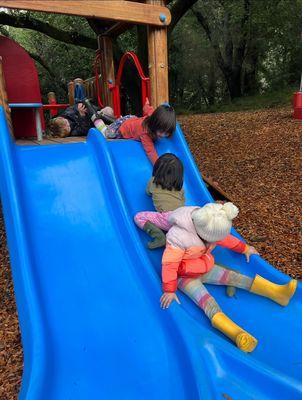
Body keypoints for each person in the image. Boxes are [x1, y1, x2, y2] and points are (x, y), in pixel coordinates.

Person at [159, 202, 297, 353]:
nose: (216, 242)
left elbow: (226, 239)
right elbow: (169, 264)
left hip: (203, 266)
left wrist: (244, 248)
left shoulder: (212, 222)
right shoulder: (178, 237)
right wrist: (169, 290)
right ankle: (236, 334)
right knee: (207, 301)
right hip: (184, 276)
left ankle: (277, 293)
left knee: (233, 276)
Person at [92, 99, 176, 164]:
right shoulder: (145, 133)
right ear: (154, 124)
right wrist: (158, 165)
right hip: (123, 128)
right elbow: (150, 152)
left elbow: (147, 109)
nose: (163, 135)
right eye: (161, 131)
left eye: (166, 132)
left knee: (114, 124)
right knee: (106, 133)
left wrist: (146, 103)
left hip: (132, 119)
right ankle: (96, 119)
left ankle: (110, 123)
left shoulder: (154, 115)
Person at [134, 153, 184, 249]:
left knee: (139, 217)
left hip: (167, 219)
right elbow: (183, 201)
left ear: (157, 169)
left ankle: (159, 237)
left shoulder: (153, 181)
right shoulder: (180, 188)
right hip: (183, 217)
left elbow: (148, 192)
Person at [49, 102, 114, 138]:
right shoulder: (73, 133)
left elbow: (76, 107)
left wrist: (79, 106)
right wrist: (82, 116)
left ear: (63, 118)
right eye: (68, 128)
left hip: (95, 114)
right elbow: (84, 130)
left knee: (108, 110)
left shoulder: (68, 112)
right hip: (94, 125)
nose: (69, 125)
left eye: (66, 123)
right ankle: (112, 125)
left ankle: (114, 122)